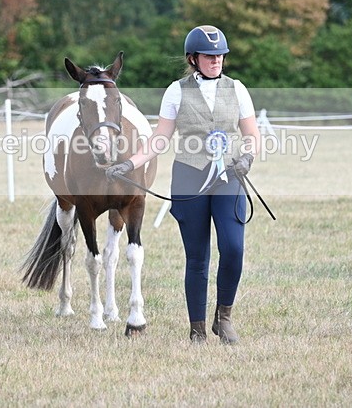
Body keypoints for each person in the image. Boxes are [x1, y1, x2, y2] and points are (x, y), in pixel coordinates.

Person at [105, 25, 260, 344]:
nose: (216, 60)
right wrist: (130, 163)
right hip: (189, 178)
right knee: (197, 256)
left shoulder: (238, 89)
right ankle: (197, 328)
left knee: (233, 248)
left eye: (220, 55)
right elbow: (159, 139)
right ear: (193, 58)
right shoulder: (176, 91)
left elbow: (251, 134)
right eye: (209, 55)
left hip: (229, 175)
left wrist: (247, 157)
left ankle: (224, 317)